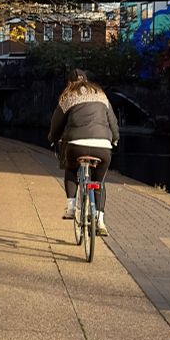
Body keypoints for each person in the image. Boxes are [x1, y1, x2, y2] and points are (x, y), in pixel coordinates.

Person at [48, 69, 119, 236]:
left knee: (71, 169)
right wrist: (114, 138)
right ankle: (100, 220)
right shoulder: (101, 94)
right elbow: (113, 122)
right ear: (86, 80)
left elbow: (56, 124)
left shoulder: (68, 96)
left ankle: (72, 207)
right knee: (99, 182)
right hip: (102, 146)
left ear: (69, 83)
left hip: (76, 145)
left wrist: (53, 137)